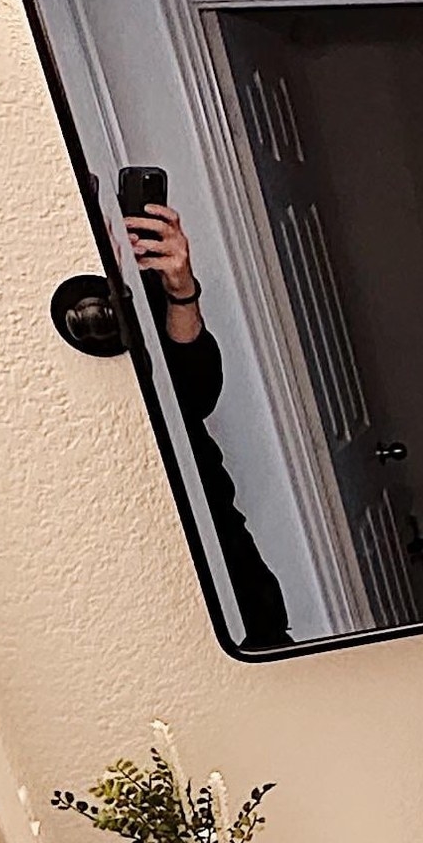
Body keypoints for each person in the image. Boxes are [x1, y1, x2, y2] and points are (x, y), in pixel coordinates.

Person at [122, 201, 293, 649]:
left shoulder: (141, 280)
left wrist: (179, 288)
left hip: (227, 555)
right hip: (136, 567)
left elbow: (196, 395)